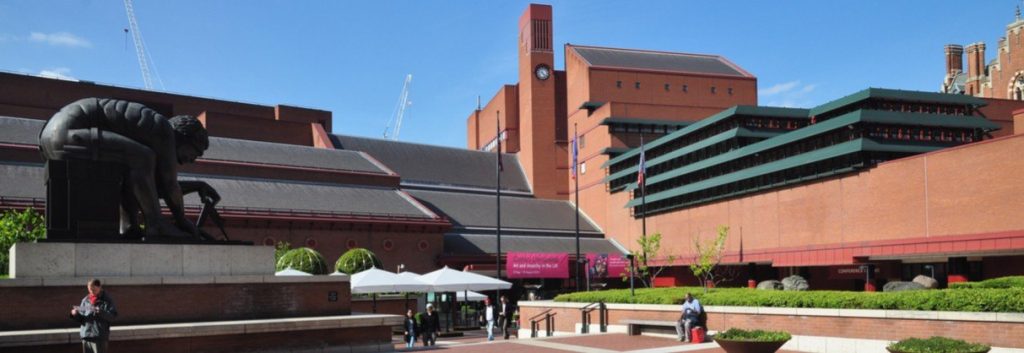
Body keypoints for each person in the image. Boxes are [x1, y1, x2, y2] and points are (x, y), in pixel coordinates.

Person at [39, 97, 215, 240]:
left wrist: (197, 185)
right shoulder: (164, 130)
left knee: (133, 165)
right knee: (142, 157)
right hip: (67, 134)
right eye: (195, 153)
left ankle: (130, 226)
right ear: (185, 138)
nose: (191, 160)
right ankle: (156, 225)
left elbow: (152, 187)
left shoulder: (151, 132)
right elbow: (169, 184)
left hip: (52, 137)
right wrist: (182, 220)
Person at [69, 279, 118, 353]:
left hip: (99, 336)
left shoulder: (107, 300)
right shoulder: (85, 300)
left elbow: (113, 316)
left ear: (100, 287)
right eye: (90, 290)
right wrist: (75, 314)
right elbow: (82, 319)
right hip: (86, 336)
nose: (91, 292)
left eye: (94, 290)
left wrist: (101, 312)